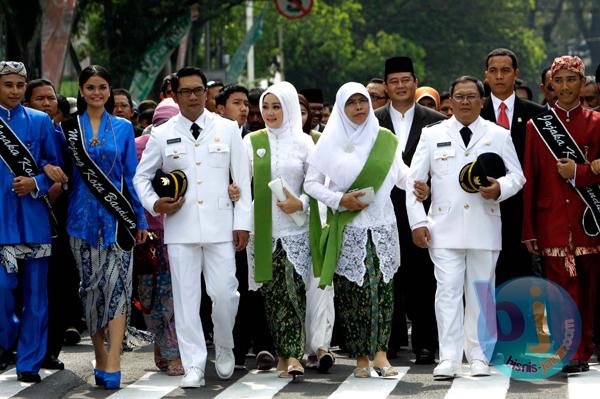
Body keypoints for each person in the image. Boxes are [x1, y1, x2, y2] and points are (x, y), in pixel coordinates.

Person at [133, 66, 252, 388]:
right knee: (186, 300)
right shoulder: (162, 133)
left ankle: (225, 346)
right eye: (186, 91)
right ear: (176, 94)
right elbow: (141, 178)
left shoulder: (227, 129)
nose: (193, 96)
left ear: (206, 93)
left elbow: (241, 180)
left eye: (198, 90)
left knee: (226, 294)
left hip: (220, 226)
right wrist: (156, 204)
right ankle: (194, 365)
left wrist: (242, 223)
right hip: (180, 228)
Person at [304, 82, 428, 378]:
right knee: (352, 295)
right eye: (352, 102)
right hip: (347, 227)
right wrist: (339, 200)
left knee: (383, 292)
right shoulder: (329, 142)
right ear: (342, 108)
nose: (359, 107)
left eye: (363, 101)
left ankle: (382, 356)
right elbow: (311, 184)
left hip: (382, 225)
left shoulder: (384, 138)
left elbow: (401, 175)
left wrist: (417, 184)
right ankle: (361, 357)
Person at [407, 75, 525, 379]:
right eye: (459, 96)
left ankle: (479, 355)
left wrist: (500, 187)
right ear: (450, 101)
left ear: (481, 100)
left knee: (481, 292)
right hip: (443, 227)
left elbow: (517, 176)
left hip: (484, 225)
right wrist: (418, 221)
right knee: (446, 291)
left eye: (472, 96)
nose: (465, 102)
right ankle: (448, 357)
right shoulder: (433, 135)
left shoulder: (497, 134)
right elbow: (414, 183)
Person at [48, 65, 149, 389]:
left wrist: (140, 219)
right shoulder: (68, 129)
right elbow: (59, 169)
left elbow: (131, 177)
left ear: (109, 90)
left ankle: (114, 361)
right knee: (91, 292)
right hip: (80, 222)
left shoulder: (122, 128)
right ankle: (99, 352)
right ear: (81, 89)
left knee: (119, 289)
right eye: (90, 87)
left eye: (102, 87)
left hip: (118, 222)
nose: (97, 93)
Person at [523, 56, 600, 374]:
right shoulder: (536, 127)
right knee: (559, 289)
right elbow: (531, 178)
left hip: (589, 220)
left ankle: (584, 348)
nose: (566, 87)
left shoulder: (597, 122)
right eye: (560, 80)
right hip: (550, 220)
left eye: (573, 80)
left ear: (583, 84)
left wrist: (578, 173)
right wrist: (528, 228)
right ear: (550, 85)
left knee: (588, 289)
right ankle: (568, 351)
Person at [243, 81, 316, 378]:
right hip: (262, 229)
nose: (271, 113)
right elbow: (237, 177)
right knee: (273, 294)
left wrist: (301, 203)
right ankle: (284, 355)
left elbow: (316, 184)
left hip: (296, 228)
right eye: (266, 107)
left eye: (277, 106)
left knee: (293, 289)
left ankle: (296, 354)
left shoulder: (304, 142)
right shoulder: (252, 142)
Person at [375, 56, 445, 363]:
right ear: (386, 86)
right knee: (387, 275)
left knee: (423, 277)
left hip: (422, 208)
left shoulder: (435, 120)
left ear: (415, 82)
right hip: (380, 208)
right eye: (394, 81)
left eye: (406, 80)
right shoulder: (371, 119)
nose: (401, 86)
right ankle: (388, 343)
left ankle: (426, 344)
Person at [0, 61, 62, 382]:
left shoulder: (40, 122)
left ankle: (29, 362)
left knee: (37, 297)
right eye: (8, 84)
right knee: (2, 289)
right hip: (1, 221)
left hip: (34, 220)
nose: (14, 91)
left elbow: (56, 166)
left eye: (19, 85)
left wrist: (36, 182)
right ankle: (6, 338)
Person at [480, 48, 544, 285]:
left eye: (505, 71)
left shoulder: (536, 114)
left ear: (515, 73)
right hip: (483, 206)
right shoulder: (476, 112)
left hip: (523, 209)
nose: (499, 76)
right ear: (485, 75)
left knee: (521, 278)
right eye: (493, 71)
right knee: (486, 279)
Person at [133, 99, 184, 376]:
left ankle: (173, 352)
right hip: (147, 235)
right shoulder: (139, 146)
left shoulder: (185, 144)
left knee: (174, 296)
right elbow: (131, 185)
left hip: (178, 231)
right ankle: (163, 346)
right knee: (150, 296)